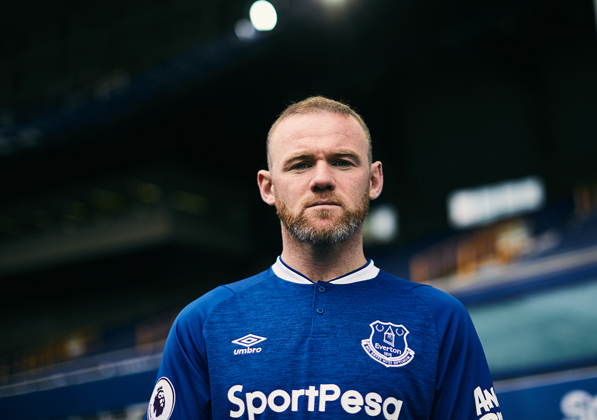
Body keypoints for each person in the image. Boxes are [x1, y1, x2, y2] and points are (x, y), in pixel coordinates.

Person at [145, 96, 503, 420]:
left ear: (374, 180)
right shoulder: (203, 323)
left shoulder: (440, 319)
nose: (321, 179)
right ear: (268, 187)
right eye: (300, 164)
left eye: (342, 162)